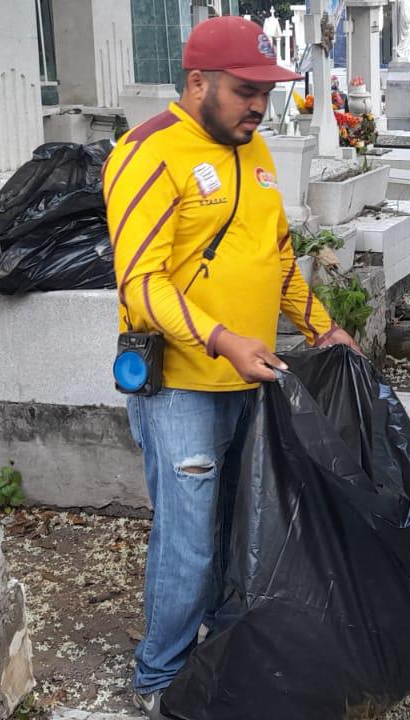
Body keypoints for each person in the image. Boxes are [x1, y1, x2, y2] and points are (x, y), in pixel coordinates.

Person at [102, 16, 359, 717]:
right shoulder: (148, 153)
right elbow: (141, 284)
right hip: (182, 389)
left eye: (265, 93)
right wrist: (221, 339)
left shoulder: (257, 151)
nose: (259, 106)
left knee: (239, 531)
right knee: (189, 543)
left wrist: (324, 328)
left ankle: (217, 657)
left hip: (252, 383)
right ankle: (160, 679)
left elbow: (278, 260)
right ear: (197, 83)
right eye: (246, 91)